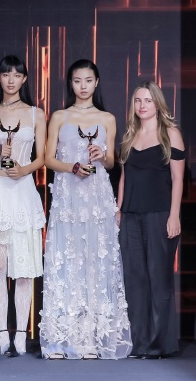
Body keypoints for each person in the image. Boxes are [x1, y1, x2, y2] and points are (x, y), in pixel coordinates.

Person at [39, 59, 132, 360]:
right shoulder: (59, 116)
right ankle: (60, 339)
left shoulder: (107, 118)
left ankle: (91, 338)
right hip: (68, 196)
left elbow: (111, 162)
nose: (83, 86)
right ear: (71, 83)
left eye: (88, 80)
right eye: (77, 81)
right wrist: (72, 166)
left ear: (96, 82)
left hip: (96, 197)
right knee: (66, 261)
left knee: (95, 261)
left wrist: (101, 154)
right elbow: (48, 159)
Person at [0, 55, 46, 356]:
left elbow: (42, 157)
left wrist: (23, 169)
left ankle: (21, 334)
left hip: (23, 190)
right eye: (6, 74)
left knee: (25, 269)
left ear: (24, 79)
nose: (11, 80)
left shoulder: (36, 114)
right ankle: (3, 333)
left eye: (17, 75)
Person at [117, 81, 185, 359]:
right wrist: (119, 210)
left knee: (159, 280)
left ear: (157, 103)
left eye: (147, 100)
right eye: (137, 100)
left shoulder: (170, 134)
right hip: (131, 217)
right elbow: (124, 178)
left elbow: (178, 179)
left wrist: (174, 215)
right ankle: (140, 344)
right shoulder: (129, 136)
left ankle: (160, 345)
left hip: (160, 215)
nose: (142, 105)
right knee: (135, 281)